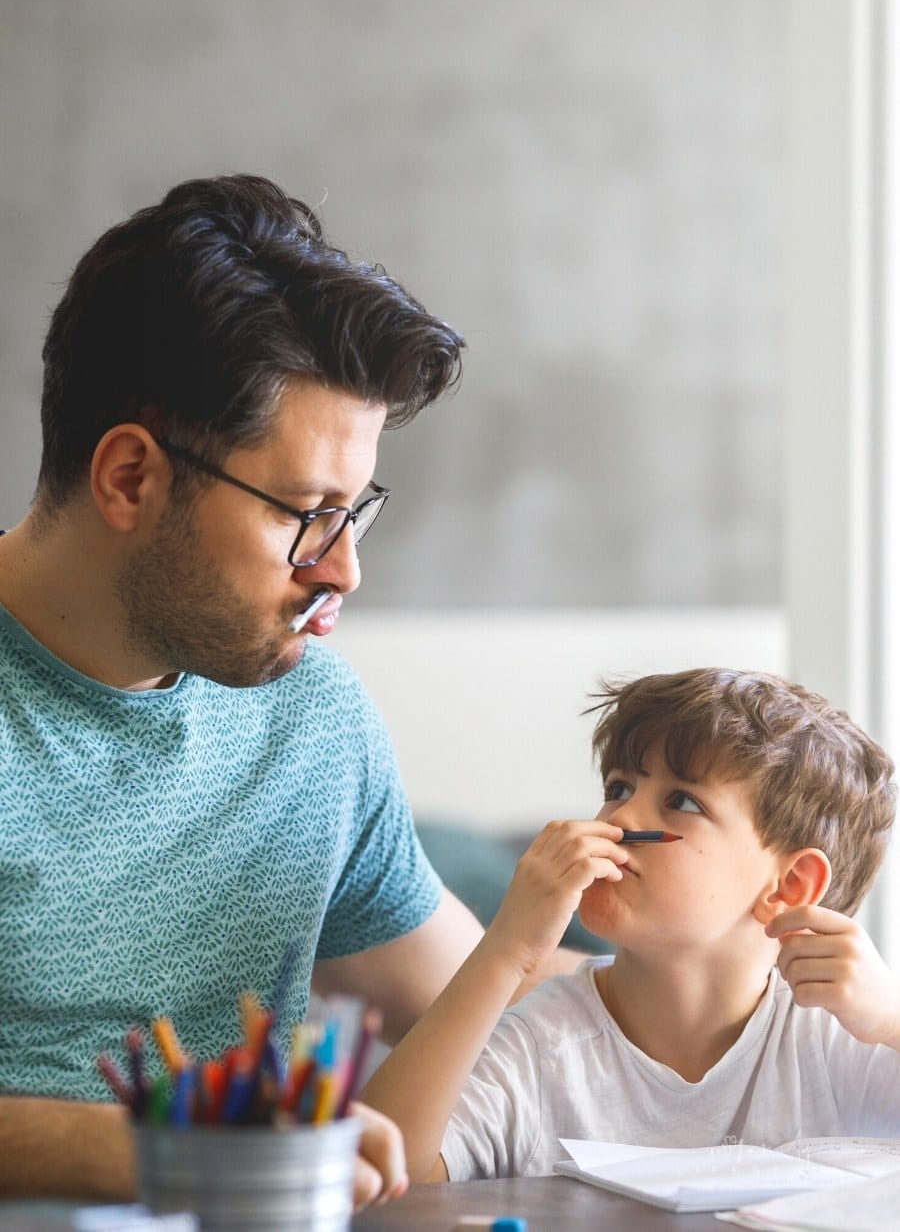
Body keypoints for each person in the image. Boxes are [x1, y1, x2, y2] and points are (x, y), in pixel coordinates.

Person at [0, 172, 492, 1207]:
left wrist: (794, 1002)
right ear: (130, 478)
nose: (343, 568)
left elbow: (481, 1007)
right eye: (306, 512)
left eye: (356, 512)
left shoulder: (310, 715)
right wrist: (167, 1154)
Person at [362, 667, 900, 1180]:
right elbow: (380, 1175)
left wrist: (892, 1022)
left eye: (681, 801)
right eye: (618, 788)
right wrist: (506, 951)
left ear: (789, 887)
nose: (618, 819)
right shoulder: (541, 1046)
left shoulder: (841, 1039)